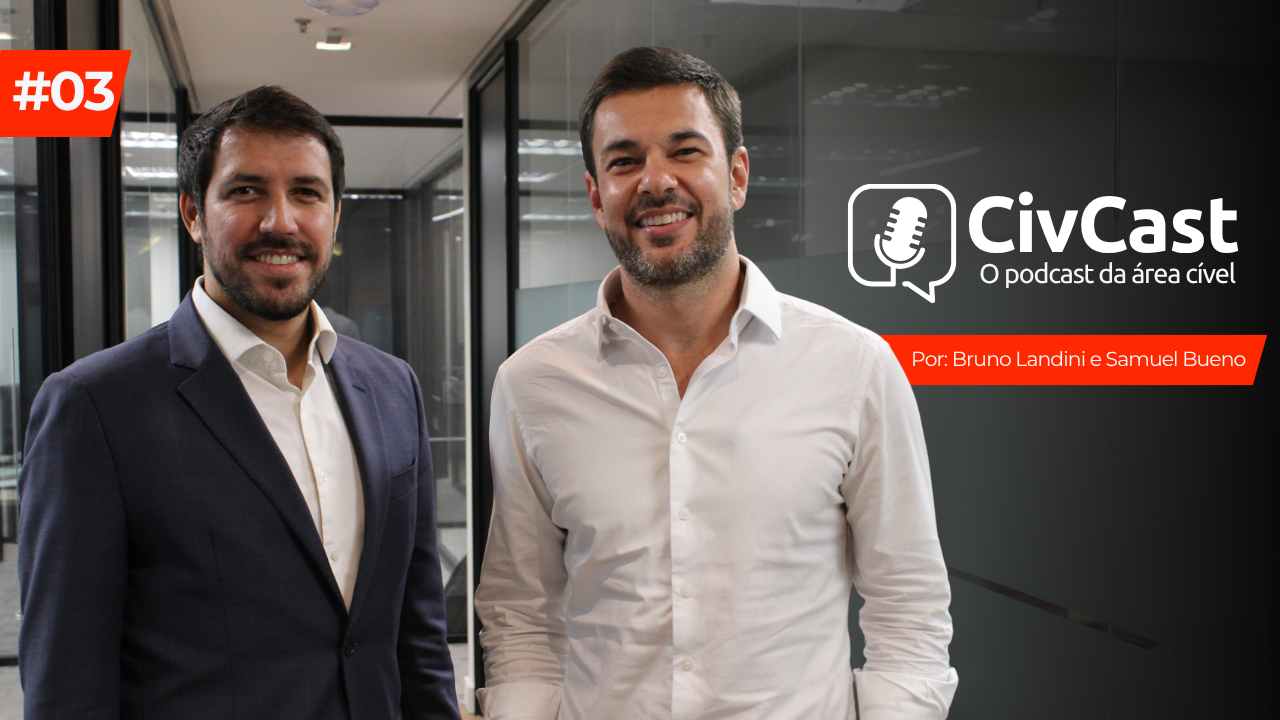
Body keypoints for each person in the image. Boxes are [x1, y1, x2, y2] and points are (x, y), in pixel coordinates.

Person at [476, 48, 957, 719]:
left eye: (685, 151)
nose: (655, 181)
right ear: (595, 196)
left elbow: (908, 605)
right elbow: (520, 613)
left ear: (736, 176)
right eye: (624, 161)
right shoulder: (532, 384)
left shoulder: (855, 367)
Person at [18, 86, 460, 720]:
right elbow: (67, 683)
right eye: (247, 191)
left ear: (335, 216)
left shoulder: (393, 388)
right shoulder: (94, 407)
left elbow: (418, 638)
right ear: (193, 213)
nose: (280, 221)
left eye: (307, 193)